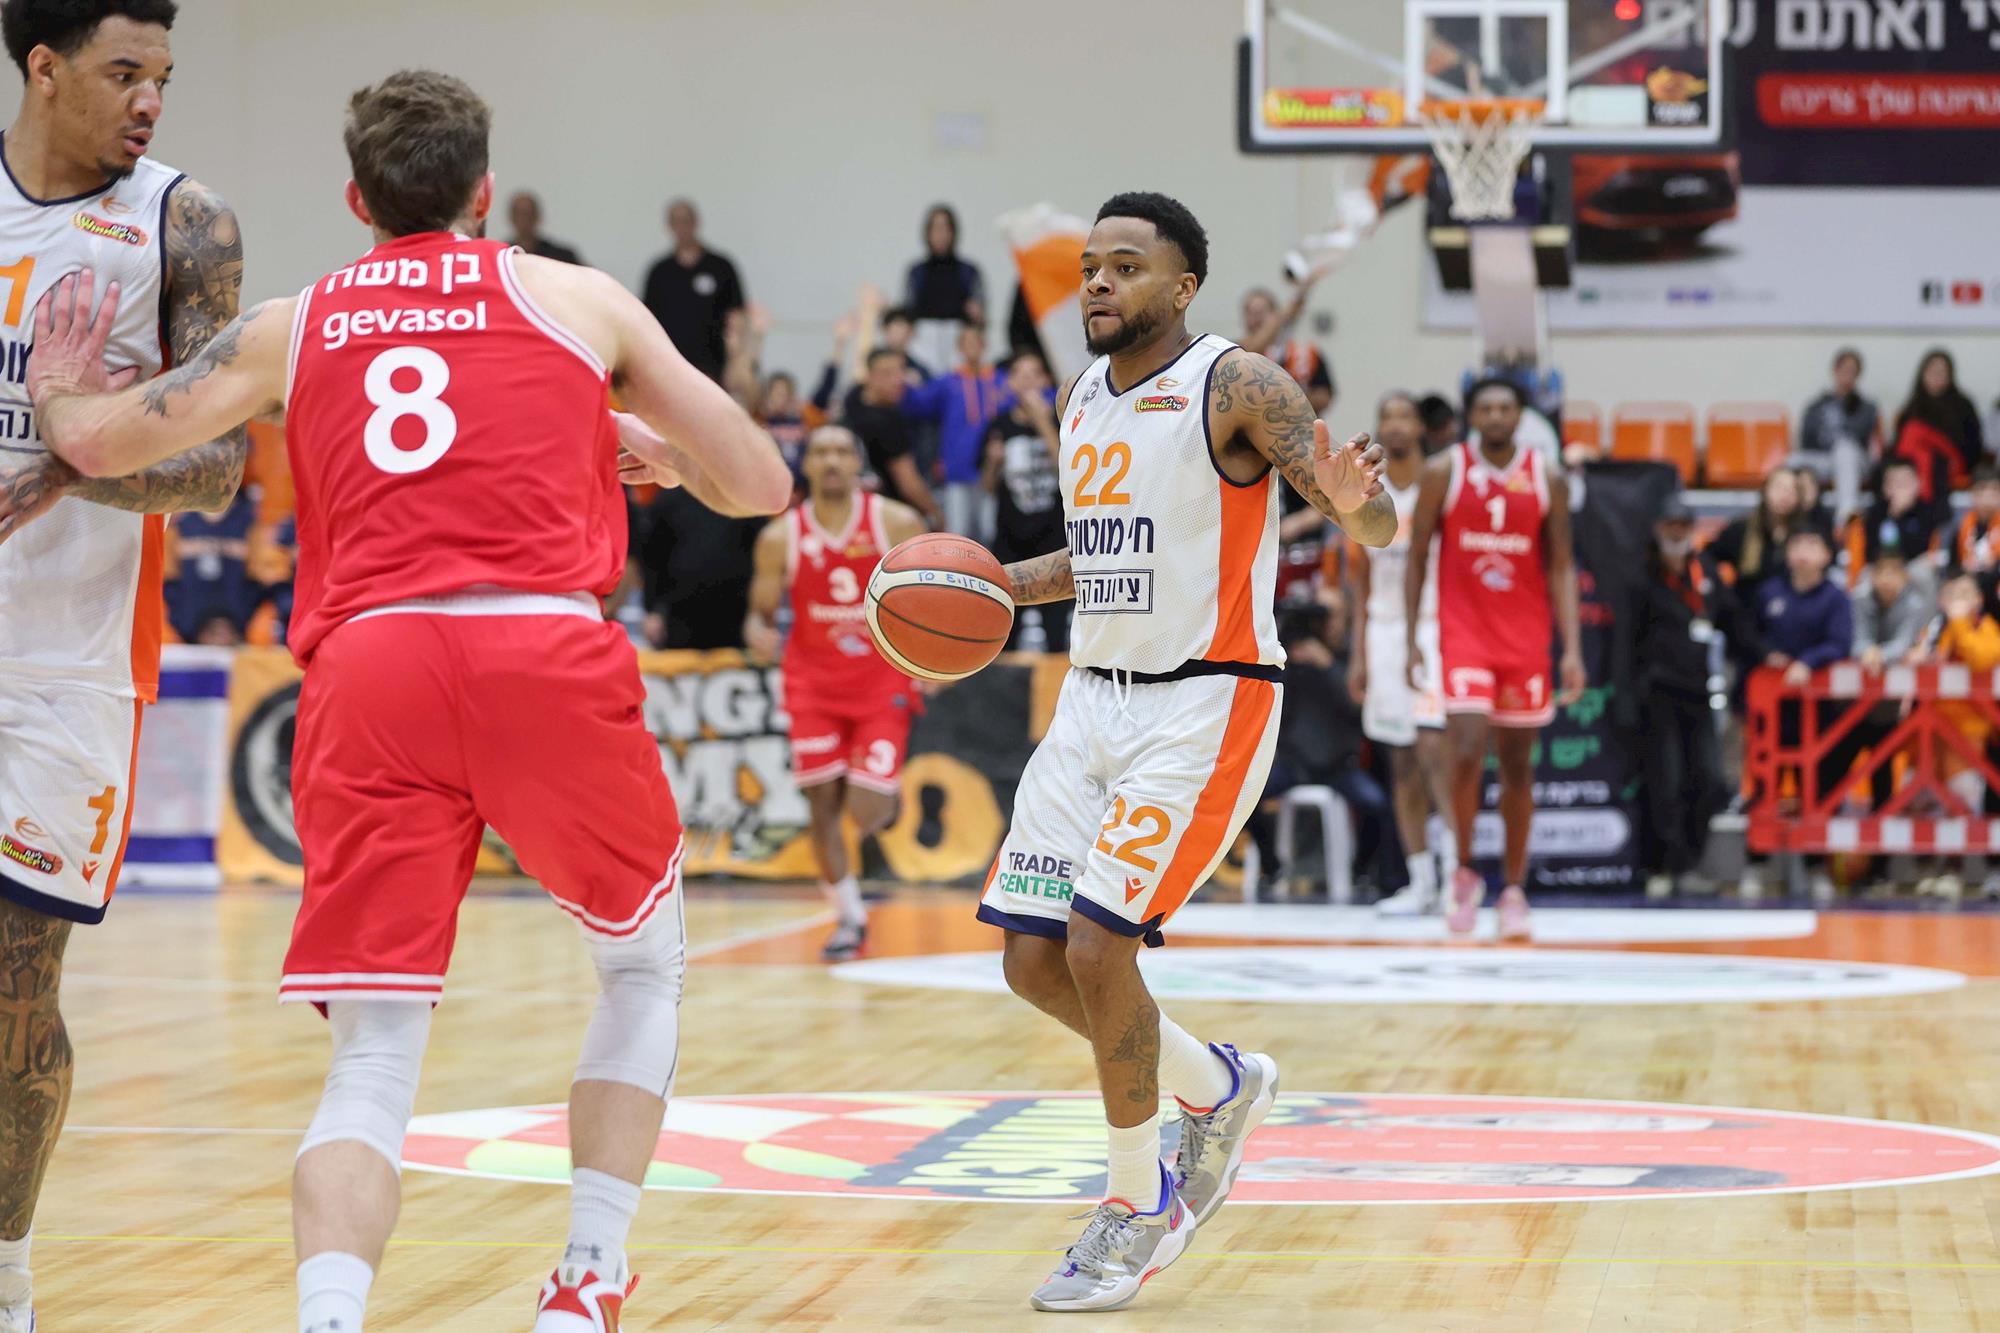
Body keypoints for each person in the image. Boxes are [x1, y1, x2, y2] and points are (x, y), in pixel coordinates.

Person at [24, 69, 792, 1331]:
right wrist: (625, 439)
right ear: (485, 191)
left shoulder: (295, 322)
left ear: (356, 200)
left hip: (374, 664)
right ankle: (587, 1275)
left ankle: (331, 1315)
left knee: (374, 1052)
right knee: (639, 969)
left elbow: (103, 443)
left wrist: (58, 385)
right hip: (541, 648)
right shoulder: (574, 295)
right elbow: (758, 483)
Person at [973, 191, 1393, 1312]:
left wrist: (1358, 509)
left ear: (1182, 285)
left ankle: (1137, 1204)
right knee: (1030, 962)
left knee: (1098, 948)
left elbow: (1365, 516)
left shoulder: (1236, 383)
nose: (1098, 283)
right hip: (1090, 700)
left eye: (1125, 265)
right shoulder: (1080, 395)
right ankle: (1216, 1083)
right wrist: (985, 586)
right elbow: (1101, 556)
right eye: (1089, 267)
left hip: (1205, 700)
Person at [0, 5, 247, 1328]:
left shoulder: (181, 225)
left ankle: (7, 1282)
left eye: (163, 75)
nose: (151, 99)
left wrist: (77, 461)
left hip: (69, 664)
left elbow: (216, 467)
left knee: (15, 987)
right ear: (43, 68)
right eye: (124, 72)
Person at [1406, 377, 1586, 942]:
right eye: (1486, 407)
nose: (1496, 415)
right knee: (1464, 749)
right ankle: (1464, 872)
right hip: (1464, 633)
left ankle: (1513, 888)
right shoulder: (1445, 471)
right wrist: (1413, 635)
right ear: (1472, 416)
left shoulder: (1546, 476)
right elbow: (1416, 557)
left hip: (1525, 638)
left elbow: (1562, 565)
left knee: (1517, 766)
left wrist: (1572, 648)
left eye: (1506, 407)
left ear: (1520, 416)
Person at [744, 426, 923, 961]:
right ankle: (848, 918)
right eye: (821, 452)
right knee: (821, 806)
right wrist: (756, 632)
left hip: (881, 682)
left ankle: (885, 801)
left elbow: (931, 595)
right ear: (805, 465)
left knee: (866, 810)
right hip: (812, 686)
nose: (831, 461)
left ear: (857, 464)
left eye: (843, 451)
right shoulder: (780, 536)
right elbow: (758, 614)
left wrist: (935, 657)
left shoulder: (895, 521)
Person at [1347, 392, 1455, 915]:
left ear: (1420, 427)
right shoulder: (1367, 492)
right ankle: (1421, 881)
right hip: (1384, 631)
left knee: (1437, 754)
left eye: (1404, 416)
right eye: (1385, 416)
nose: (1395, 425)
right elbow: (1361, 582)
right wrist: (1359, 654)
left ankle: (1458, 875)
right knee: (1403, 762)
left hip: (1435, 627)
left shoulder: (1439, 484)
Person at [1631, 499, 1728, 897]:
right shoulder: (1642, 574)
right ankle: (1665, 865)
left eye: (1683, 525)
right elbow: (1627, 637)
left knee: (1710, 778)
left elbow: (1732, 617)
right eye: (1670, 524)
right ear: (1657, 529)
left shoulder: (1704, 570)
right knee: (1665, 781)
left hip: (1698, 691)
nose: (1676, 532)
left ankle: (1690, 860)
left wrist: (1767, 653)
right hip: (1658, 695)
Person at [982, 349, 1070, 652]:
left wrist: (1042, 422)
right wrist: (993, 462)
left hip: (1053, 538)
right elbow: (987, 487)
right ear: (1010, 382)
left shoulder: (1061, 420)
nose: (1028, 381)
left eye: (1035, 374)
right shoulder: (999, 424)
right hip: (1011, 539)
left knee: (1056, 630)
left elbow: (1067, 471)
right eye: (1021, 374)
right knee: (1006, 629)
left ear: (1045, 380)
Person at [902, 319, 1005, 539]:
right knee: (958, 533)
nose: (971, 348)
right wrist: (906, 383)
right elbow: (918, 403)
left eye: (975, 342)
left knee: (992, 531)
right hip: (957, 468)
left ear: (984, 345)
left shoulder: (1000, 380)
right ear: (959, 348)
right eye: (966, 343)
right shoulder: (948, 382)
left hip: (993, 470)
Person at [635, 484, 765, 649]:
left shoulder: (744, 498)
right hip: (679, 612)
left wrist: (757, 615)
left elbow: (761, 559)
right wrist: (652, 610)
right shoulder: (670, 498)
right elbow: (653, 559)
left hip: (736, 611)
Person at [640, 196, 745, 382]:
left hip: (713, 365)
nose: (682, 227)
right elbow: (648, 318)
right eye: (676, 221)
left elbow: (736, 315)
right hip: (670, 365)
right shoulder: (660, 271)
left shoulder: (720, 267)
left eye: (686, 221)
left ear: (696, 222)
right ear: (669, 226)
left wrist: (735, 361)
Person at [840, 347, 942, 527]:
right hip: (885, 518)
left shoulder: (851, 403)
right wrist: (936, 514)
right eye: (887, 374)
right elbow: (908, 482)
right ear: (869, 376)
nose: (898, 380)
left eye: (901, 372)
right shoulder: (888, 421)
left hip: (851, 516)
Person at [1793, 347, 1879, 522]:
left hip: (1855, 461)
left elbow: (1865, 441)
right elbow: (1806, 441)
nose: (1847, 374)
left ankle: (1846, 515)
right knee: (1792, 460)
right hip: (1825, 460)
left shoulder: (1866, 408)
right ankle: (1794, 512)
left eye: (1852, 371)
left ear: (1858, 375)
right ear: (1835, 370)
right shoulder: (1816, 406)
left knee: (1844, 449)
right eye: (1844, 369)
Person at [1890, 349, 1984, 498]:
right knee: (1922, 452)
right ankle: (1914, 489)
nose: (1937, 375)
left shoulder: (1962, 405)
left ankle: (1919, 498)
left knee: (1914, 430)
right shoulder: (1912, 407)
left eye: (1942, 371)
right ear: (1923, 374)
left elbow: (1973, 446)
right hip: (1918, 465)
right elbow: (1899, 447)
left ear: (1950, 376)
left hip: (1951, 463)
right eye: (1933, 371)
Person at [903, 203, 984, 375]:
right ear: (927, 233)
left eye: (946, 228)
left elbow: (980, 313)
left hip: (958, 337)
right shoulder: (917, 271)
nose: (941, 235)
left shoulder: (968, 270)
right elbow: (908, 309)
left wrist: (976, 315)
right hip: (923, 337)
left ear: (954, 232)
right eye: (936, 228)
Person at [1844, 456, 1945, 584]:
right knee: (1864, 578)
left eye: (1904, 483)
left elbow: (1922, 550)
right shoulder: (1875, 514)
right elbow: (1871, 552)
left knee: (1925, 570)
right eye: (1893, 483)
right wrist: (1892, 517)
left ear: (1918, 483)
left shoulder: (1928, 513)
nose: (1899, 489)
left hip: (1911, 570)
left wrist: (1900, 518)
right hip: (1881, 571)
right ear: (1885, 487)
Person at [1707, 467, 1811, 591]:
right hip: (1747, 600)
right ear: (1765, 491)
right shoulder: (1741, 528)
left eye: (1791, 490)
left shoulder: (1806, 534)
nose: (1785, 494)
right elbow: (1707, 558)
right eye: (1779, 487)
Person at [505, 189, 581, 265]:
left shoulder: (562, 257)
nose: (524, 219)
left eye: (528, 214)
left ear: (537, 216)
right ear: (511, 217)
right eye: (520, 214)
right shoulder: (504, 256)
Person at [1950, 462, 2000, 575]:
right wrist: (1964, 569)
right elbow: (1951, 567)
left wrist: (1994, 565)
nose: (1988, 496)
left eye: (1994, 489)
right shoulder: (1960, 525)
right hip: (1968, 579)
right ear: (1973, 493)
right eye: (1982, 489)